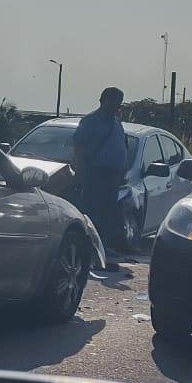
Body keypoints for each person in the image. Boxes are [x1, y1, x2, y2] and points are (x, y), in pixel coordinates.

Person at [72, 87, 128, 270]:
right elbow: (79, 147)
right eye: (113, 100)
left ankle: (103, 250)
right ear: (103, 100)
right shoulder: (91, 121)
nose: (116, 105)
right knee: (94, 213)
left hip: (112, 176)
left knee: (108, 214)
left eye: (119, 101)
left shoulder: (116, 123)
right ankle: (90, 253)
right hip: (95, 174)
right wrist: (80, 172)